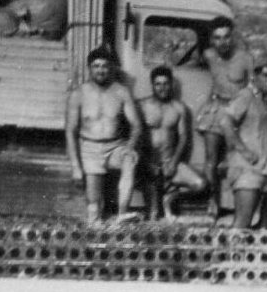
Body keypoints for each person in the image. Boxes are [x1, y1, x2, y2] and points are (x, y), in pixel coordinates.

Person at [65, 47, 142, 223]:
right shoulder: (78, 94)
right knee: (94, 212)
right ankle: (96, 220)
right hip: (90, 149)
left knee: (129, 159)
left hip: (115, 146)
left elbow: (137, 125)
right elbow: (71, 131)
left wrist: (130, 147)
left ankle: (122, 214)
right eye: (96, 66)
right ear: (89, 68)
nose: (100, 70)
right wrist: (76, 167)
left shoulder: (121, 92)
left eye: (105, 66)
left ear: (112, 68)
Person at [195, 16, 254, 219]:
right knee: (210, 159)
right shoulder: (209, 55)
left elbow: (253, 88)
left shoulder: (245, 58)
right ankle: (212, 201)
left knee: (235, 159)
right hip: (217, 108)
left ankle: (238, 205)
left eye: (226, 37)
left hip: (238, 111)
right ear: (211, 40)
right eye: (217, 38)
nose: (222, 42)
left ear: (233, 36)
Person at [218, 52, 267, 229]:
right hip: (246, 170)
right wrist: (243, 150)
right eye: (266, 75)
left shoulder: (261, 100)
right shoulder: (246, 96)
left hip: (258, 169)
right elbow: (225, 121)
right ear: (255, 76)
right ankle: (228, 256)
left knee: (246, 223)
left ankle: (233, 255)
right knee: (241, 222)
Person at [137, 65, 207, 220]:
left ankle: (170, 196)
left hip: (170, 162)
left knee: (200, 184)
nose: (162, 88)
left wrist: (174, 162)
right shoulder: (142, 106)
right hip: (149, 166)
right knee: (154, 216)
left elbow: (183, 137)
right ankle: (156, 203)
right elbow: (137, 138)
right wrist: (147, 163)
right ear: (152, 85)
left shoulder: (179, 108)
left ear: (171, 85)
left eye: (166, 83)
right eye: (158, 84)